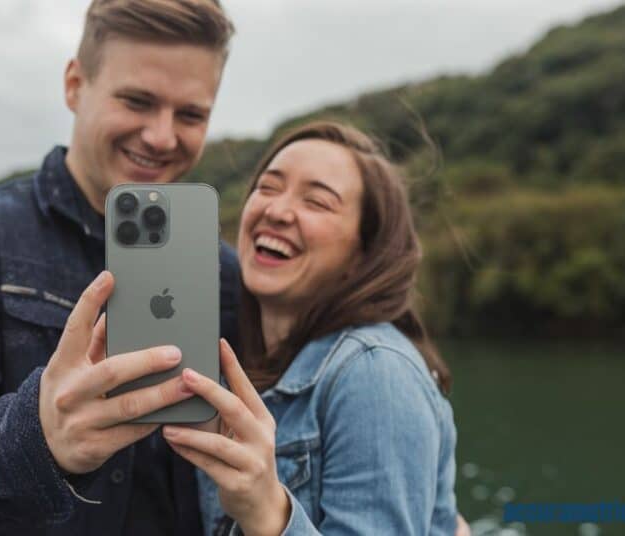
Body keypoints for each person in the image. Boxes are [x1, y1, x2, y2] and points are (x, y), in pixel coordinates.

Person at [0, 1, 237, 534]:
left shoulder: (224, 272)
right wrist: (38, 436)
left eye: (191, 115)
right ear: (74, 84)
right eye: (137, 101)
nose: (162, 136)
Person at [157, 121, 461, 535]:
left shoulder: (373, 372)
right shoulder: (241, 369)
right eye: (267, 187)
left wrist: (267, 513)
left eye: (317, 201)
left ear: (365, 253)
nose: (277, 211)